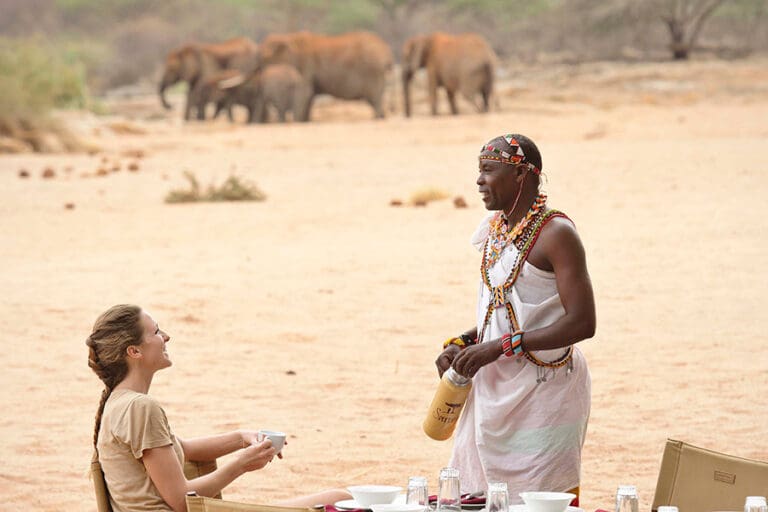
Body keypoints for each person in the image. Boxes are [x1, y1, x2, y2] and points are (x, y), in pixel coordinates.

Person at [435, 134, 595, 505]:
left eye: (489, 170)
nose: (478, 181)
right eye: (479, 171)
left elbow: (583, 323)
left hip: (544, 392)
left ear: (521, 175)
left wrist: (501, 347)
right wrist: (466, 343)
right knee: (479, 492)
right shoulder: (497, 229)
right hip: (493, 389)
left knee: (541, 498)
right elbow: (504, 308)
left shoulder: (556, 234)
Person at [86, 304, 350, 512]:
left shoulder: (119, 403)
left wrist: (241, 438)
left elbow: (183, 450)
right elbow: (181, 501)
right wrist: (240, 465)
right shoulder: (140, 407)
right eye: (156, 332)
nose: (166, 336)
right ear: (134, 351)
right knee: (339, 502)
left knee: (340, 498)